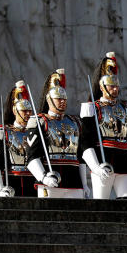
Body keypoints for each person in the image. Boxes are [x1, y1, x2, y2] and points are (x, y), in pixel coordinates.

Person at [80, 52, 127, 199]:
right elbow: (85, 142)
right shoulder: (92, 108)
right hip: (103, 160)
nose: (115, 89)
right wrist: (96, 167)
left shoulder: (126, 108)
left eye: (116, 86)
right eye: (111, 86)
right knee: (101, 203)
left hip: (124, 161)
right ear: (102, 86)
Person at [27, 69, 86, 198]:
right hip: (50, 178)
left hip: (74, 181)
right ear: (49, 100)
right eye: (58, 99)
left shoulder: (74, 122)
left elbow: (80, 157)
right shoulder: (40, 122)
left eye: (64, 98)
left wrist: (85, 184)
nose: (62, 101)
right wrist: (43, 177)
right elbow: (32, 156)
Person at [0, 81, 37, 196]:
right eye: (24, 111)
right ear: (15, 111)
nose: (27, 114)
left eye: (29, 111)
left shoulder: (35, 131)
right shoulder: (4, 132)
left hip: (34, 182)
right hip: (12, 182)